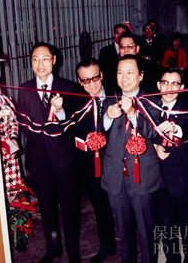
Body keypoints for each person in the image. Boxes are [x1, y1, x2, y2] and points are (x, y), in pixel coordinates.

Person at [16, 42, 81, 263]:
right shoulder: (23, 91)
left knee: (70, 207)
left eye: (45, 59)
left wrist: (61, 112)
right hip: (38, 160)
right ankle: (53, 249)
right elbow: (23, 126)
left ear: (54, 60)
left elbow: (75, 124)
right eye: (35, 59)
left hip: (65, 160)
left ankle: (73, 252)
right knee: (47, 207)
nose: (40, 64)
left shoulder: (69, 88)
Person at [101, 55, 163, 263]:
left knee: (147, 234)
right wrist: (108, 117)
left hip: (143, 177)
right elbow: (100, 134)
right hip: (115, 177)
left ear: (141, 75)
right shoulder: (110, 99)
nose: (124, 77)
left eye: (130, 72)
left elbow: (155, 133)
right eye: (120, 72)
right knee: (124, 235)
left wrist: (133, 112)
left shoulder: (151, 100)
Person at [153, 67, 188, 263]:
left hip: (184, 180)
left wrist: (175, 128)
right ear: (158, 85)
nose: (169, 87)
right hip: (159, 182)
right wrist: (154, 144)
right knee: (166, 230)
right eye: (165, 82)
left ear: (181, 87)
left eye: (174, 83)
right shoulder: (150, 108)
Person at [75, 58, 117, 263]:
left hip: (117, 163)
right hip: (91, 165)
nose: (92, 84)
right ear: (80, 81)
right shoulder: (76, 101)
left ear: (102, 75)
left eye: (95, 77)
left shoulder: (116, 96)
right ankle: (107, 246)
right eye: (86, 80)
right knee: (100, 207)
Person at [98, 23, 130, 94]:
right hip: (111, 90)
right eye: (117, 33)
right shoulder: (105, 51)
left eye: (122, 33)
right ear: (113, 35)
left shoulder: (130, 50)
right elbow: (102, 72)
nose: (119, 36)